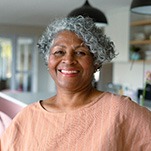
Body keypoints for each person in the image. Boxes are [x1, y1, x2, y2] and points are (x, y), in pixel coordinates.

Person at [0, 16, 151, 151]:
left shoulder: (121, 111)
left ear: (96, 62)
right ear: (48, 61)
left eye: (80, 52)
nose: (68, 60)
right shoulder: (28, 117)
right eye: (59, 52)